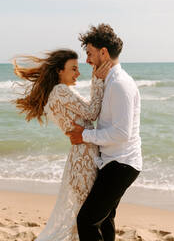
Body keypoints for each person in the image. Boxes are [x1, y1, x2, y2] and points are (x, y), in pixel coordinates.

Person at [12, 49, 112, 240]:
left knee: (86, 220)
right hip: (84, 163)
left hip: (82, 158)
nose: (78, 73)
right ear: (59, 70)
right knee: (89, 221)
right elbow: (91, 113)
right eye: (73, 69)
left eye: (78, 69)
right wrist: (97, 80)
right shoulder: (60, 91)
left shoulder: (58, 92)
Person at [66, 24, 142, 241]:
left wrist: (84, 136)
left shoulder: (120, 84)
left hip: (122, 164)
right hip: (113, 162)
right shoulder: (108, 81)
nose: (87, 60)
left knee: (87, 221)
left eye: (89, 53)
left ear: (103, 52)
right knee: (104, 219)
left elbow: (121, 133)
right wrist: (96, 81)